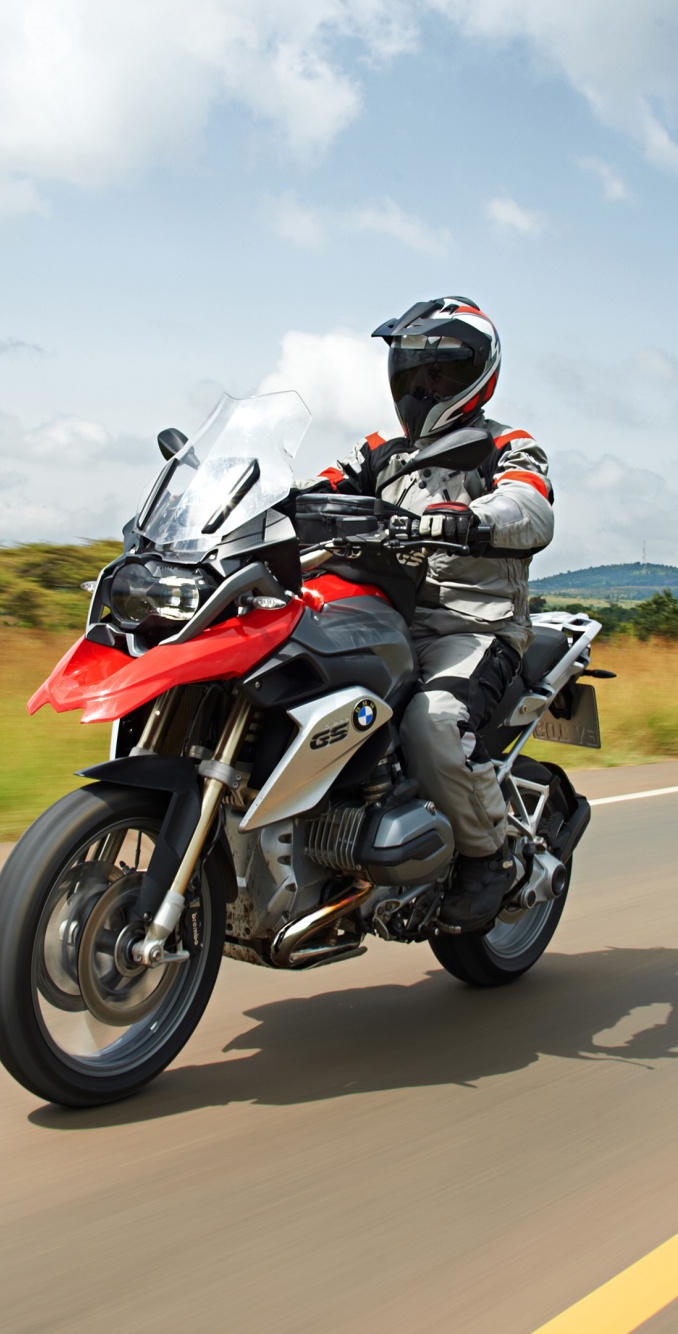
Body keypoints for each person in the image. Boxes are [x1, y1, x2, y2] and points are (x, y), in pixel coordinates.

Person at [307, 296, 554, 929]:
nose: (421, 387)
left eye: (436, 374)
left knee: (433, 722)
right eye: (412, 374)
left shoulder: (506, 446)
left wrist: (470, 521)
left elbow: (531, 507)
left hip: (471, 627)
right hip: (378, 615)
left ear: (474, 376)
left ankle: (488, 857)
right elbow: (311, 495)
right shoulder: (379, 454)